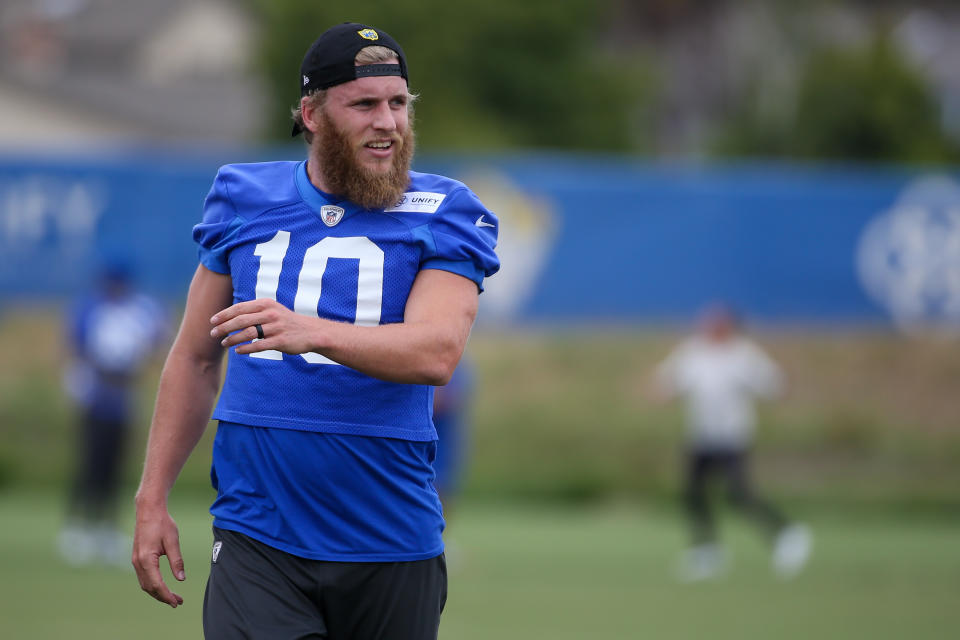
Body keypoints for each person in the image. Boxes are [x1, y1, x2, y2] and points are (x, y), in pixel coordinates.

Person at [131, 22, 499, 640]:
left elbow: (436, 353)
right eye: (364, 104)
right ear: (311, 114)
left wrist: (314, 332)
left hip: (389, 536)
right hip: (258, 532)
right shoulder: (244, 196)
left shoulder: (446, 209)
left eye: (398, 104)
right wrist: (151, 497)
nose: (387, 121)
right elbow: (195, 358)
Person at [650, 303, 811, 581]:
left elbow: (773, 384)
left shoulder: (743, 355)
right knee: (694, 494)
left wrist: (783, 385)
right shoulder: (693, 352)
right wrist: (662, 392)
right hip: (701, 435)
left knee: (739, 494)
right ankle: (706, 550)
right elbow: (670, 382)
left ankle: (787, 534)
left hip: (732, 436)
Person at [59, 261, 167, 566]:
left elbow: (158, 340)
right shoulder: (90, 307)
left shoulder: (141, 308)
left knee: (117, 464)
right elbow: (76, 347)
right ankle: (78, 526)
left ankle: (107, 528)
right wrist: (76, 383)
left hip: (124, 395)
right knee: (91, 461)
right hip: (96, 392)